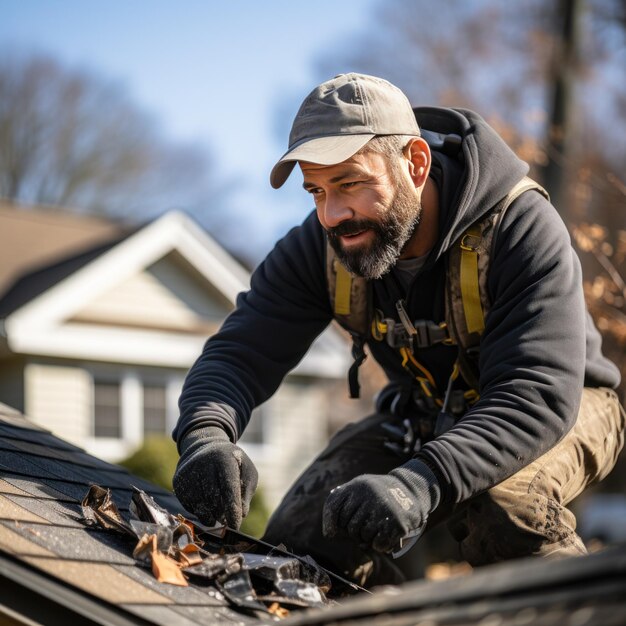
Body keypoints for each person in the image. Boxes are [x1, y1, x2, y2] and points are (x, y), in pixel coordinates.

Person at [172, 73, 624, 587]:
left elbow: (535, 396)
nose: (333, 214)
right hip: (427, 414)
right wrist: (205, 435)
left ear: (414, 163)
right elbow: (239, 353)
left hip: (563, 407)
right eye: (316, 191)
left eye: (350, 183)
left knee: (504, 506)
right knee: (304, 537)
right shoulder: (318, 249)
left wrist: (420, 482)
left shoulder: (521, 227)